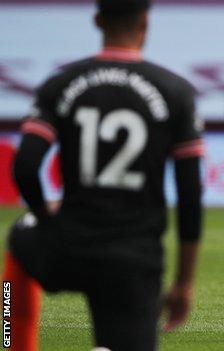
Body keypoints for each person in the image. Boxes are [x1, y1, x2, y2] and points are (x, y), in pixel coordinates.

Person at [3, 0, 204, 349]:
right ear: (145, 22)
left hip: (68, 244)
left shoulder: (61, 83)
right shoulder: (176, 91)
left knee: (19, 240)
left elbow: (24, 168)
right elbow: (190, 196)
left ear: (97, 20)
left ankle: (11, 340)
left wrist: (43, 216)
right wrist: (184, 282)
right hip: (133, 259)